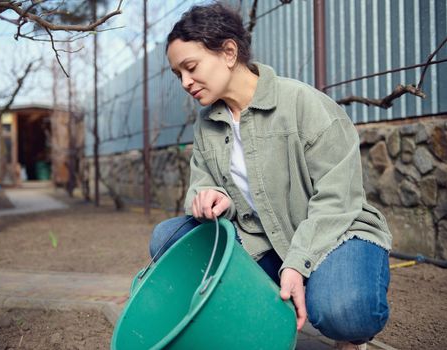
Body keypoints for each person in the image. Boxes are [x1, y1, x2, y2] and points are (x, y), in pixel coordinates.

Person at [149, 3, 392, 350]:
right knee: (166, 239)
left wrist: (297, 264)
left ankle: (349, 335)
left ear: (229, 52)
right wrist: (210, 197)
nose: (185, 82)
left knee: (346, 311)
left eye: (190, 67)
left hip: (333, 233)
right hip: (260, 241)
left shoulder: (303, 104)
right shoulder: (206, 124)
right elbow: (200, 185)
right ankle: (252, 311)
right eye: (178, 75)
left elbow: (339, 200)